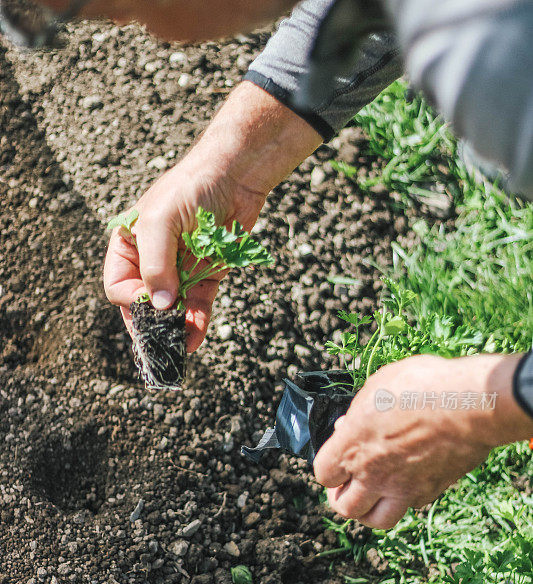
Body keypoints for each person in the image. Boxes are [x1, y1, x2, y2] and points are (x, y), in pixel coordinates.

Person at [8, 0, 533, 529]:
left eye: (90, 6)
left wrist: (469, 408)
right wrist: (231, 165)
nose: (112, 23)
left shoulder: (496, 59)